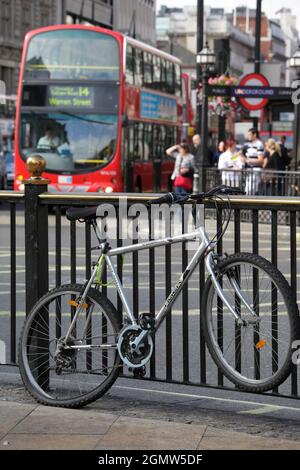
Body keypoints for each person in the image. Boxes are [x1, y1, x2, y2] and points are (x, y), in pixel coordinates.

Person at [242, 128, 264, 195]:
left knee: (251, 191)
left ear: (255, 135)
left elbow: (261, 160)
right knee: (247, 190)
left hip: (255, 171)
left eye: (249, 134)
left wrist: (248, 160)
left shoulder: (259, 144)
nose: (248, 136)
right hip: (249, 171)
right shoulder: (248, 145)